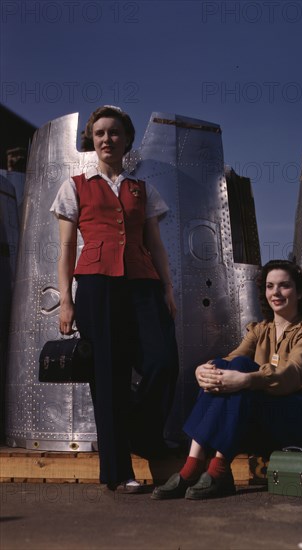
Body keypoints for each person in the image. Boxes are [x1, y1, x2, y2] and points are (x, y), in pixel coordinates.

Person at [51, 105, 178, 493]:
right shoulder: (74, 185)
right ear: (92, 139)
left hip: (142, 283)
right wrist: (67, 301)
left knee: (163, 361)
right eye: (101, 133)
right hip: (96, 286)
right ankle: (118, 472)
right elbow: (67, 246)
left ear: (127, 139)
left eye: (115, 133)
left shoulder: (143, 189)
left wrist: (168, 289)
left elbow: (155, 244)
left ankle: (141, 433)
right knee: (109, 377)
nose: (107, 139)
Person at [152, 259, 302, 500]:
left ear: (298, 292)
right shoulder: (259, 330)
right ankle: (196, 464)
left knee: (243, 370)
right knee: (225, 366)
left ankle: (214, 470)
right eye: (270, 286)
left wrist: (245, 380)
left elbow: (292, 374)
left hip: (300, 414)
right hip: (266, 411)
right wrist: (204, 371)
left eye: (284, 286)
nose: (275, 292)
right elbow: (231, 360)